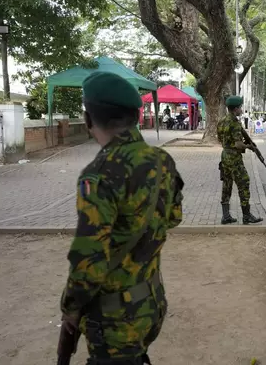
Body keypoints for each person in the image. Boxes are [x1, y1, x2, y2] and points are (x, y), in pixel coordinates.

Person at [58, 71, 184, 364]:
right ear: (136, 116)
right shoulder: (161, 159)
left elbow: (89, 263)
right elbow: (174, 217)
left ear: (89, 120)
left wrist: (70, 306)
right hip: (151, 301)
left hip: (115, 318)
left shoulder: (99, 174)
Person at [217, 95, 263, 225]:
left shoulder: (222, 121)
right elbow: (238, 144)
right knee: (244, 183)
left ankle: (226, 216)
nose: (241, 109)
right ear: (235, 109)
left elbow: (220, 139)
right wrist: (249, 146)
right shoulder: (235, 123)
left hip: (224, 155)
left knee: (227, 185)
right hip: (234, 159)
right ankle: (246, 215)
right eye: (240, 107)